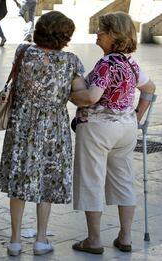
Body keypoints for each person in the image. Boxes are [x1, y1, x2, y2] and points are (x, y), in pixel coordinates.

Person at [0, 11, 86, 256]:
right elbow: (82, 95)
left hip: (22, 124)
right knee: (46, 180)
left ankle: (15, 240)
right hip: (53, 126)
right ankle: (41, 239)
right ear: (64, 36)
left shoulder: (22, 52)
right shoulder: (71, 61)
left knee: (19, 179)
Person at [70, 11, 156, 255]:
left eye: (102, 31)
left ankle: (94, 240)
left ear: (114, 35)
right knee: (124, 180)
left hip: (98, 128)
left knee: (91, 180)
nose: (97, 34)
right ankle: (125, 237)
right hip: (125, 130)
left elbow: (91, 97)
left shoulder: (106, 64)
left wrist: (71, 96)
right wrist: (136, 116)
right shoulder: (130, 62)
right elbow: (149, 88)